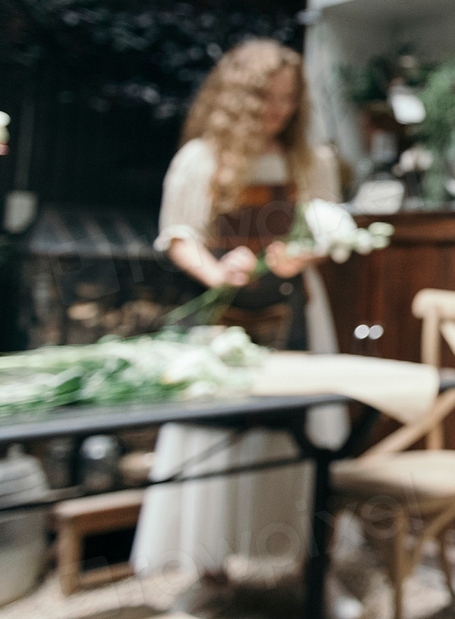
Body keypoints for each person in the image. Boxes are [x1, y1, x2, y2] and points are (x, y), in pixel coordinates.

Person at [132, 39, 347, 580]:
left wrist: (304, 253)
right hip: (226, 317)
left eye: (289, 99)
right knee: (217, 433)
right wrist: (214, 270)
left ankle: (299, 562)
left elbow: (329, 231)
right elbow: (178, 235)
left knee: (294, 430)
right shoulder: (200, 159)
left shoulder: (310, 159)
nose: (280, 110)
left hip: (296, 311)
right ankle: (208, 570)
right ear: (239, 98)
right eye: (267, 99)